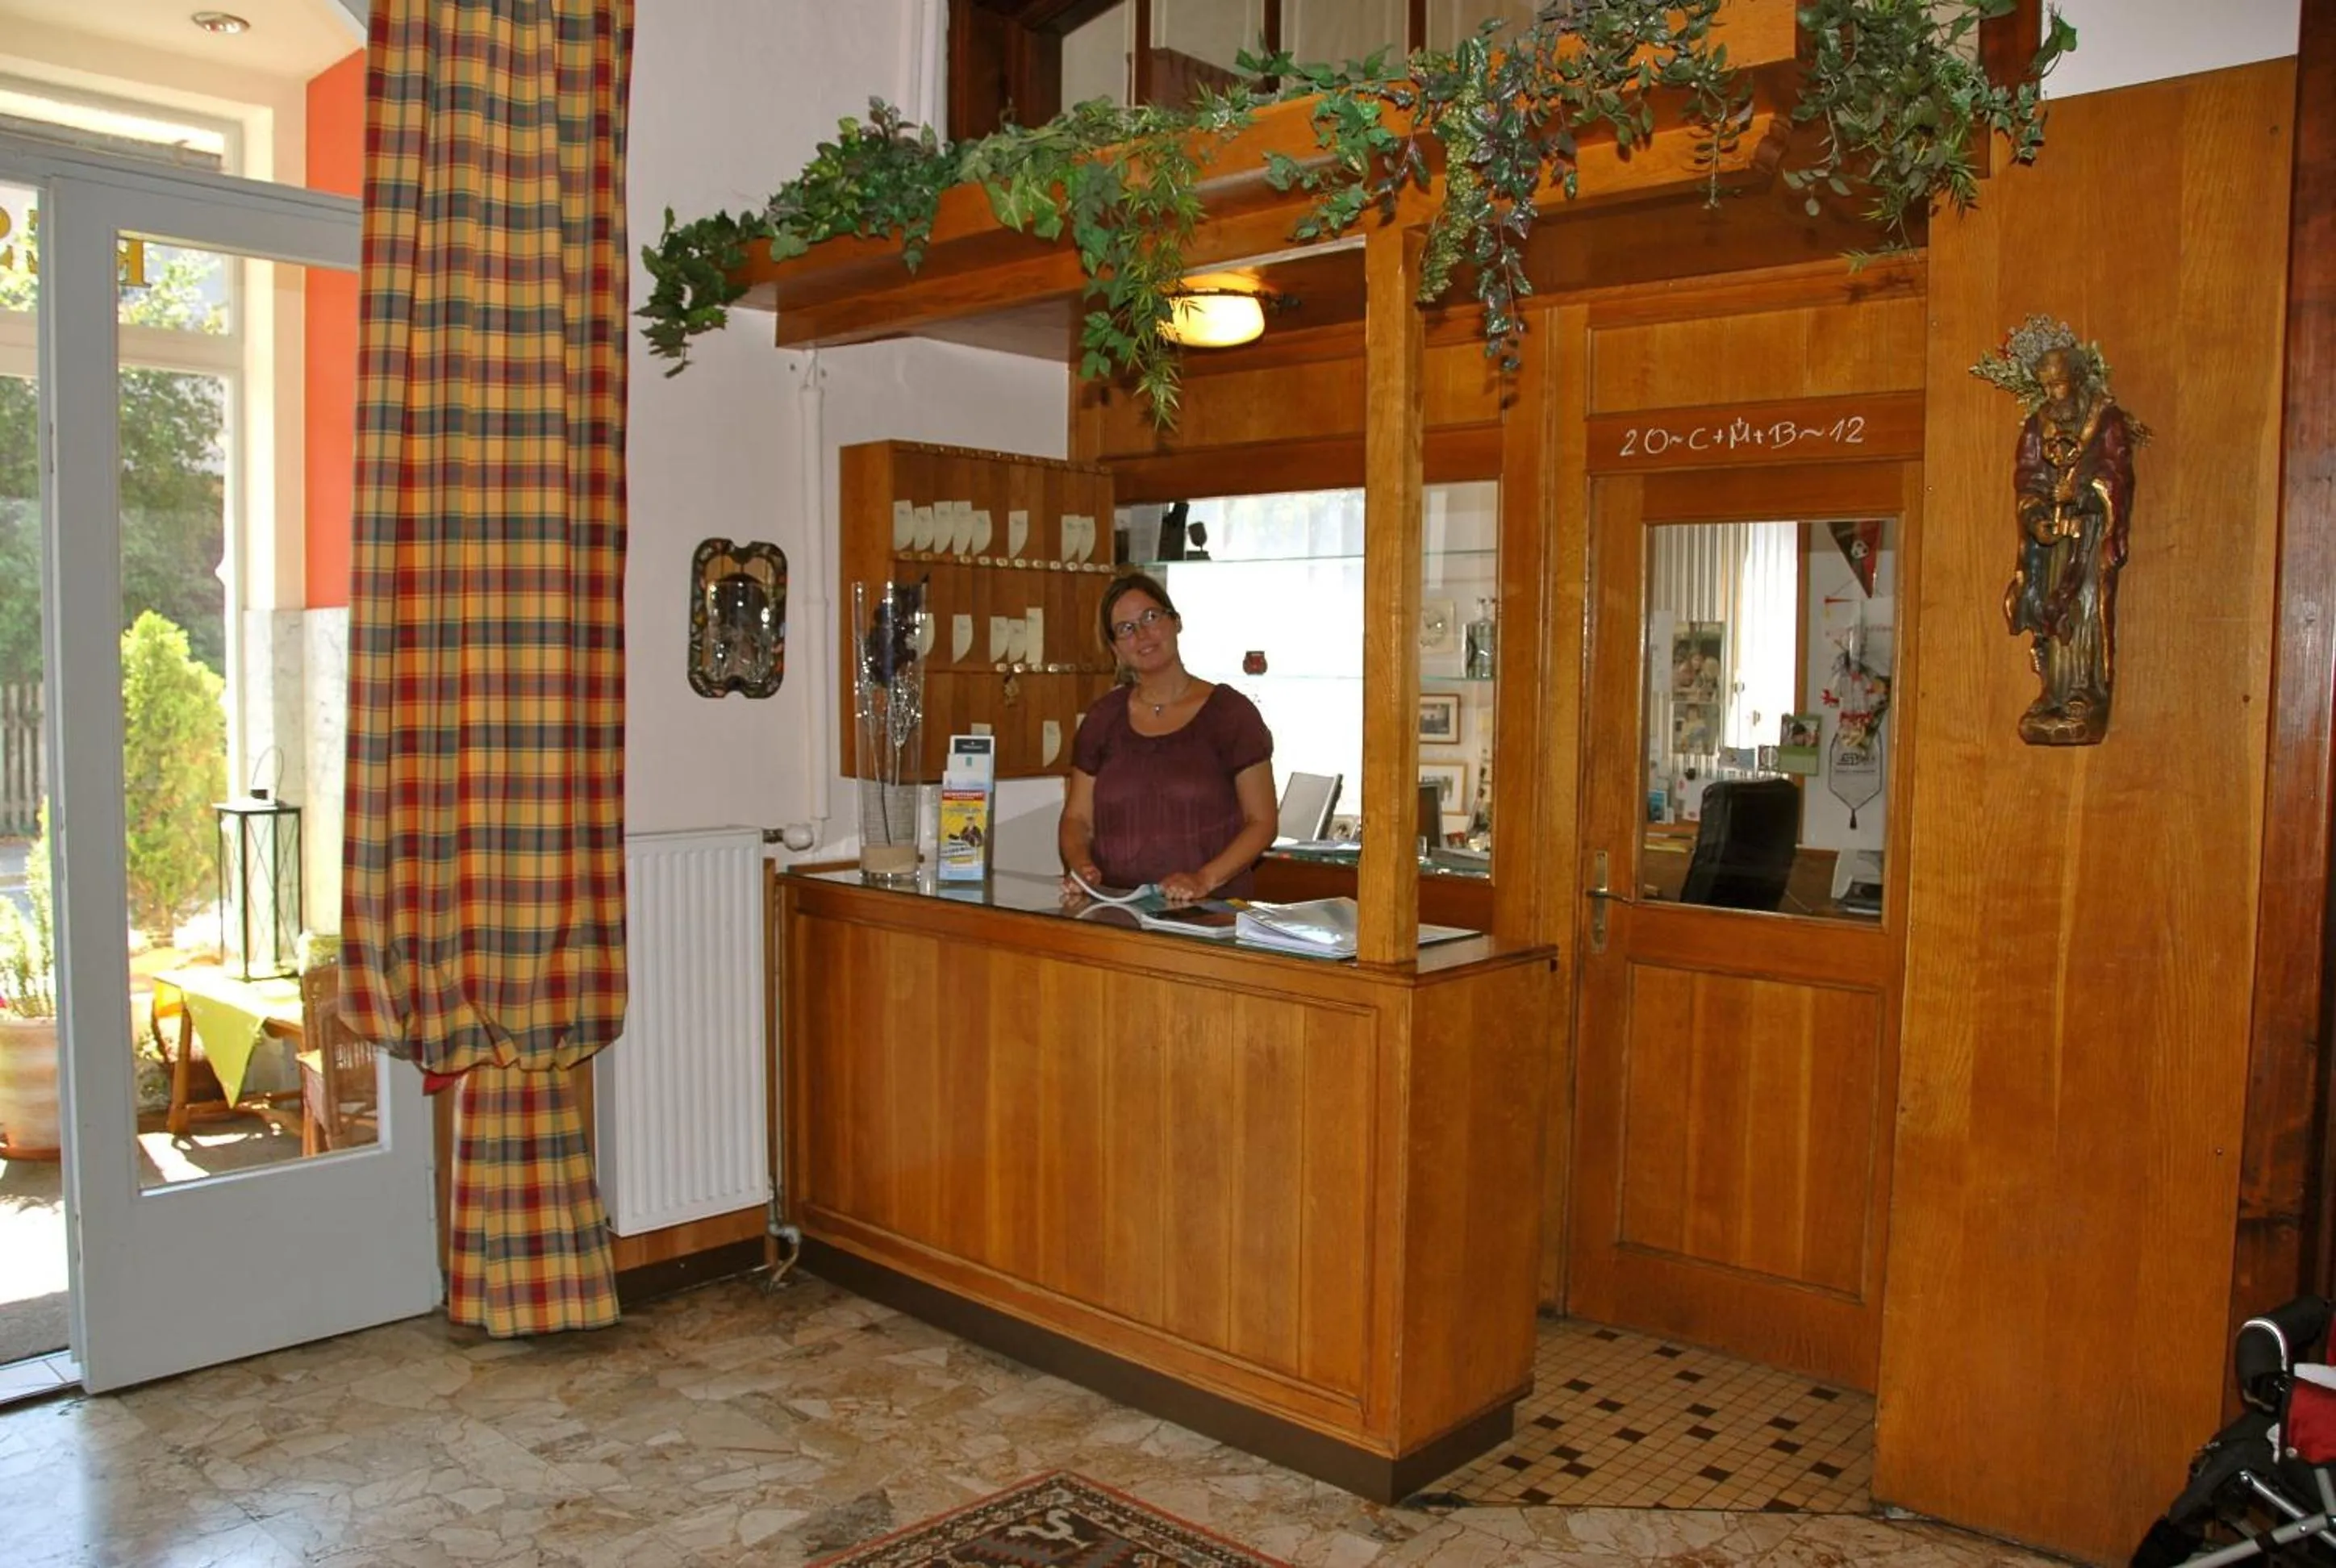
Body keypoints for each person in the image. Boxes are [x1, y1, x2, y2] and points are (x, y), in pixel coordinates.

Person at [1059, 572, 1277, 906]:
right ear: (1115, 648)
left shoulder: (1230, 714)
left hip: (1210, 918)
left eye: (1150, 617)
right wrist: (1081, 865)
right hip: (1117, 913)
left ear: (1176, 622)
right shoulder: (1103, 718)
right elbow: (1077, 819)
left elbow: (1262, 823)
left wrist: (1203, 879)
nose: (1143, 634)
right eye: (1126, 628)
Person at [2002, 342, 2137, 745]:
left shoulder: (2104, 419)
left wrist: (2084, 494)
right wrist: (2037, 516)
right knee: (2049, 608)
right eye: (2045, 386)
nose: (2052, 393)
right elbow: (2027, 476)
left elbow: (2117, 471)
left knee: (2084, 609)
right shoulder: (2037, 424)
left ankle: (2083, 691)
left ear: (2076, 379)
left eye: (2058, 383)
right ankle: (2054, 691)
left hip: (2090, 536)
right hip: (2052, 542)